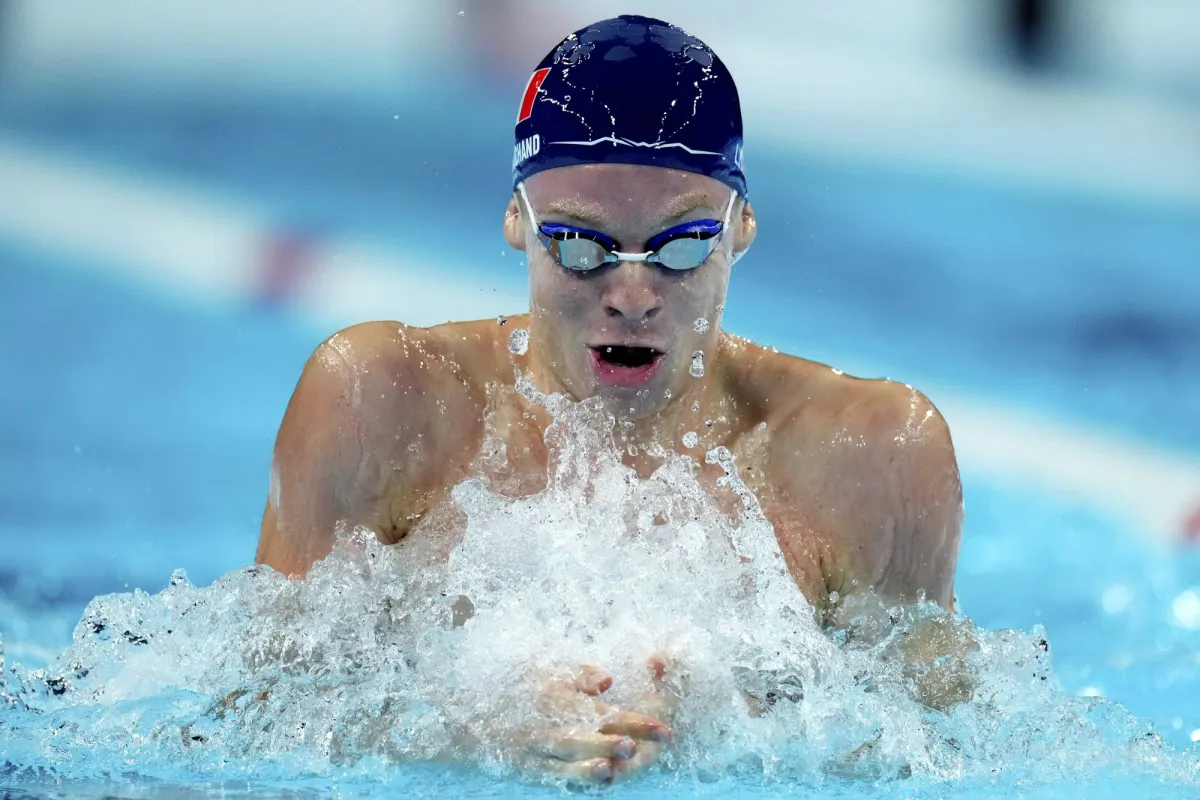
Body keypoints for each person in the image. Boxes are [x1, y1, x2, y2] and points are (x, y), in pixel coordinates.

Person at [256, 14, 964, 785]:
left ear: (743, 227)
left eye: (682, 245)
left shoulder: (872, 455)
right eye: (579, 245)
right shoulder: (383, 402)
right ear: (517, 220)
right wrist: (472, 724)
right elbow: (253, 714)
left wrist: (731, 718)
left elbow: (938, 757)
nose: (631, 295)